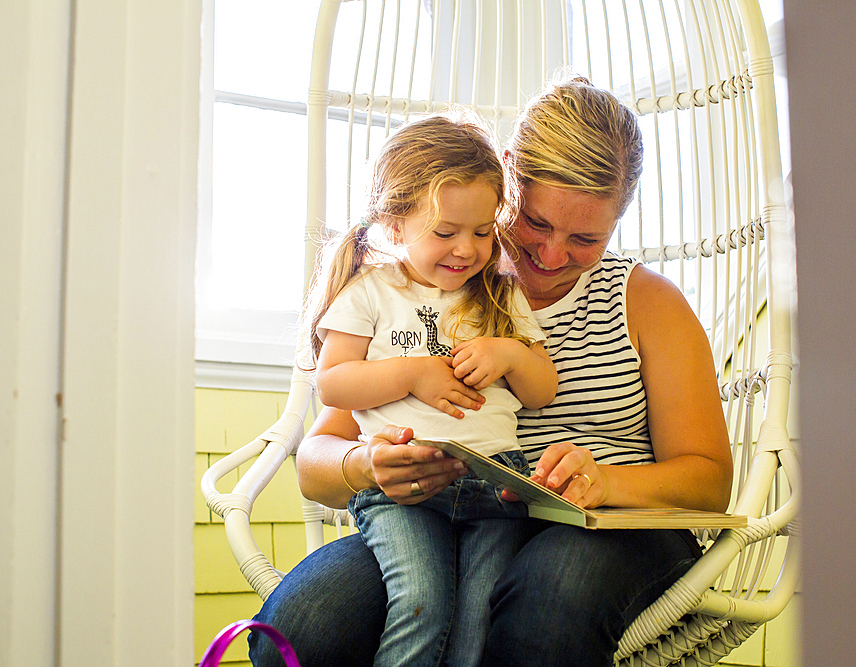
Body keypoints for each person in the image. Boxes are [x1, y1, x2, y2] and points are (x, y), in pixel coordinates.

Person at [249, 78, 733, 667]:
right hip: (434, 514)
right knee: (303, 627)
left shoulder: (648, 303)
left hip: (613, 526)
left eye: (587, 238)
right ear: (508, 177)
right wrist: (368, 466)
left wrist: (608, 481)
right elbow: (317, 459)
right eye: (535, 223)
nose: (553, 256)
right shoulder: (433, 285)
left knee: (542, 607)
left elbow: (708, 478)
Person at [299, 112, 558, 667]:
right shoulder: (373, 292)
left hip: (497, 484)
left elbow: (541, 391)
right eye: (445, 233)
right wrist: (413, 371)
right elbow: (334, 382)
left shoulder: (499, 295)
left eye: (483, 232)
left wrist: (510, 353)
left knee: (477, 618)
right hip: (404, 489)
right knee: (421, 603)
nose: (466, 249)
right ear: (395, 226)